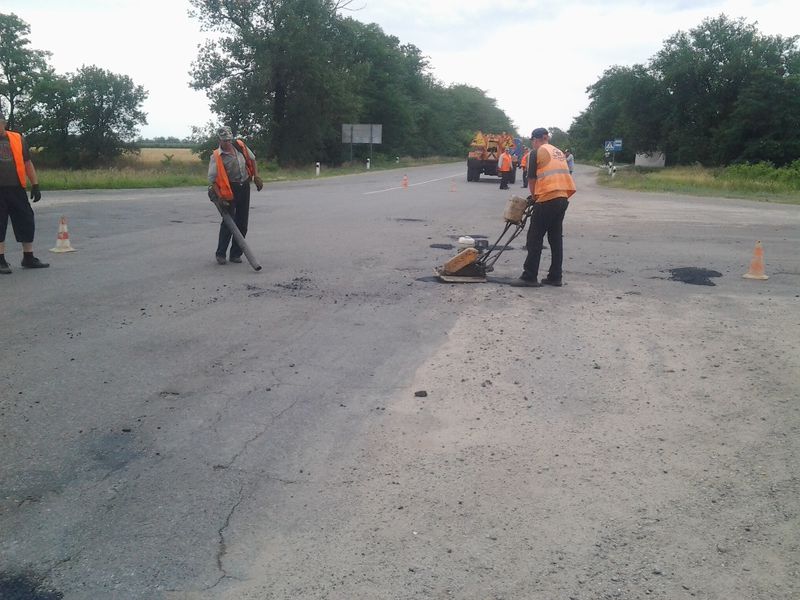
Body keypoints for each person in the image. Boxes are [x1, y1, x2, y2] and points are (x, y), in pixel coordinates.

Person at [510, 127, 576, 287]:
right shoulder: (558, 152)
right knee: (555, 238)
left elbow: (531, 178)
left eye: (532, 141)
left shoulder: (536, 152)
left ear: (535, 139)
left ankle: (529, 276)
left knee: (534, 237)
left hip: (547, 198)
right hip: (562, 198)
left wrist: (534, 197)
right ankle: (555, 276)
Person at [0, 109, 48, 274]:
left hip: (17, 188)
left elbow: (27, 162)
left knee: (26, 219)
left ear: (4, 122)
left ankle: (28, 257)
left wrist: (35, 184)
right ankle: (0, 260)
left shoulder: (17, 139)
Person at [207, 126, 263, 265]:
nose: (227, 143)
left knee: (242, 223)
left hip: (244, 186)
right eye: (224, 140)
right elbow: (213, 180)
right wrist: (220, 197)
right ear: (219, 140)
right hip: (229, 190)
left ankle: (235, 254)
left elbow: (253, 159)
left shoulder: (240, 146)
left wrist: (256, 176)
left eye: (229, 140)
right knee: (228, 223)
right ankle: (221, 254)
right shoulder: (216, 156)